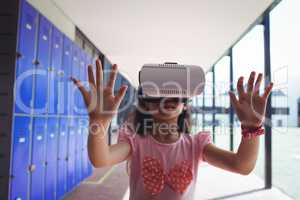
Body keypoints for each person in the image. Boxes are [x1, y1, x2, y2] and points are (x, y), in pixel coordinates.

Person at [71, 59, 273, 200]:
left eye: (175, 94)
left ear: (185, 104)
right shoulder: (136, 142)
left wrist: (252, 127)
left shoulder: (196, 145)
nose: (166, 99)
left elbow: (241, 165)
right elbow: (101, 158)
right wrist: (99, 123)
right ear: (146, 105)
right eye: (157, 95)